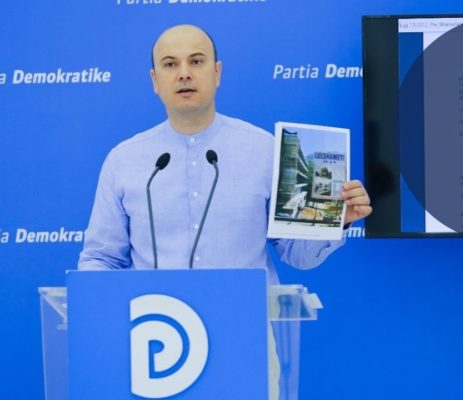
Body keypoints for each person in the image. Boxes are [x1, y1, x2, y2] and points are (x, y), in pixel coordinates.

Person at [78, 25, 372, 283]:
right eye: (170, 64)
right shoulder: (124, 160)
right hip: (156, 324)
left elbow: (298, 254)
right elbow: (101, 259)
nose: (184, 73)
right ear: (155, 80)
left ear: (216, 72)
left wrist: (337, 221)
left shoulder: (265, 150)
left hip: (247, 322)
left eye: (196, 61)